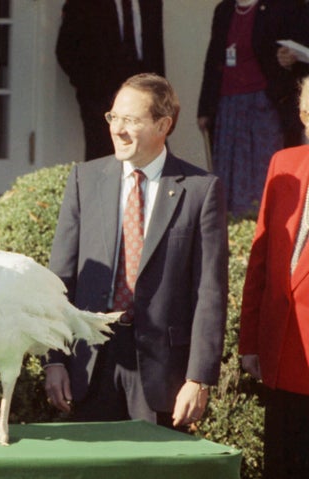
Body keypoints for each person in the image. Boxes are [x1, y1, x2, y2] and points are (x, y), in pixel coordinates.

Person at [44, 73, 229, 430]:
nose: (118, 129)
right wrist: (54, 360)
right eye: (114, 118)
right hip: (89, 365)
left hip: (163, 376)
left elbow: (210, 292)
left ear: (163, 124)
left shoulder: (200, 190)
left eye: (131, 120)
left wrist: (199, 378)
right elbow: (59, 280)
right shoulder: (85, 179)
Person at [239, 76, 309, 479]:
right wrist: (250, 342)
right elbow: (260, 262)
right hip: (280, 359)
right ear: (303, 116)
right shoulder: (284, 164)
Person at [197, 0, 304, 217]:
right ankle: (234, 231)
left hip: (265, 107)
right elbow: (213, 59)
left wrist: (290, 58)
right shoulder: (224, 10)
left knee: (264, 173)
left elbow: (299, 51)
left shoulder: (283, 6)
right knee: (228, 178)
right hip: (228, 107)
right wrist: (204, 109)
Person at [55, 0, 165, 161]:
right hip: (102, 101)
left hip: (145, 98)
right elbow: (65, 51)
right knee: (104, 161)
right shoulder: (83, 4)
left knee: (150, 159)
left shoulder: (151, 3)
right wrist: (92, 90)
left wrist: (160, 95)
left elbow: (156, 51)